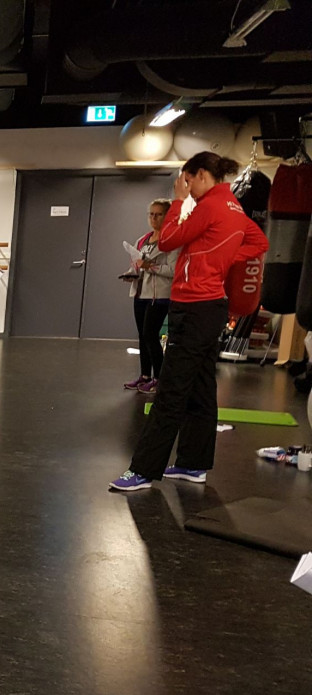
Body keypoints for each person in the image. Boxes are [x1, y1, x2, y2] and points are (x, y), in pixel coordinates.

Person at [110, 152, 269, 492]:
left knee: (171, 389)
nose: (185, 186)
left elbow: (168, 240)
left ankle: (143, 470)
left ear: (200, 176)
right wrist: (219, 258)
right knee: (201, 387)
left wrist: (179, 202)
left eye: (187, 180)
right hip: (210, 307)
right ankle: (192, 465)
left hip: (195, 307)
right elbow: (260, 242)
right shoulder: (233, 207)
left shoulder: (209, 206)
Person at [122, 198, 177, 395]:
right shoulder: (143, 240)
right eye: (151, 214)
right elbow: (137, 265)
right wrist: (132, 274)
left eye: (159, 214)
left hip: (159, 295)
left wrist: (151, 267)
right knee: (142, 336)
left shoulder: (172, 241)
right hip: (140, 293)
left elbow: (174, 271)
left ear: (167, 216)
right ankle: (145, 375)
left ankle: (159, 378)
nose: (154, 218)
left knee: (150, 334)